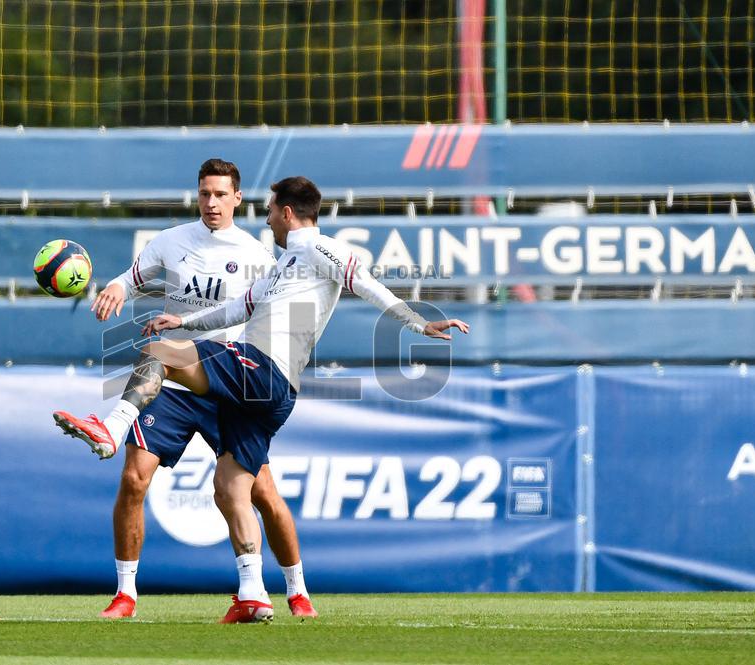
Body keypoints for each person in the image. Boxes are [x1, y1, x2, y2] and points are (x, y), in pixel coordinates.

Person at [85, 175, 470, 623]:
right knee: (230, 490)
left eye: (270, 210)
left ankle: (109, 431)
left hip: (260, 366)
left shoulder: (319, 248)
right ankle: (254, 595)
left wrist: (420, 325)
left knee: (157, 354)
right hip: (273, 393)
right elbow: (238, 310)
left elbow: (366, 284)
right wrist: (182, 323)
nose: (267, 219)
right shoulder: (282, 265)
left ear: (287, 213)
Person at [53, 160, 318, 620]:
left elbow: (268, 316)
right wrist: (116, 286)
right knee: (134, 479)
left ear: (238, 198)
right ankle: (125, 595)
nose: (211, 203)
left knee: (262, 494)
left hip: (228, 381)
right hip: (173, 381)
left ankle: (297, 591)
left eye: (220, 194)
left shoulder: (259, 256)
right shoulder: (173, 241)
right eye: (204, 194)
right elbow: (134, 276)